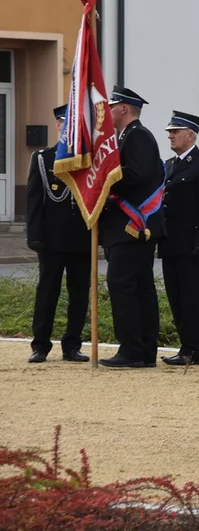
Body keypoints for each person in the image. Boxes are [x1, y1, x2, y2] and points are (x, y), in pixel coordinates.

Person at [99, 87, 166, 368]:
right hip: (125, 228)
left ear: (124, 108)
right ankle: (142, 350)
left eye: (111, 106)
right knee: (138, 288)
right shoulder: (127, 136)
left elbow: (137, 174)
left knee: (123, 285)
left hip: (132, 225)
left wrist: (104, 173)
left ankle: (132, 350)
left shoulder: (138, 136)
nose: (107, 112)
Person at [26, 105, 91, 363]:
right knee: (47, 291)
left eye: (73, 124)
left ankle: (72, 345)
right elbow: (33, 200)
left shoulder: (87, 159)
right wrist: (34, 235)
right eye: (65, 123)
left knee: (79, 293)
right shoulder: (43, 158)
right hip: (51, 239)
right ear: (56, 125)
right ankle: (40, 345)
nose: (68, 128)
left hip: (81, 238)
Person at [158, 111, 199, 366]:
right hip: (170, 243)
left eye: (175, 132)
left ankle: (195, 348)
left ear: (190, 135)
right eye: (170, 132)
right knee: (175, 296)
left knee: (191, 297)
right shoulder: (169, 165)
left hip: (191, 245)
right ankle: (186, 346)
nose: (171, 136)